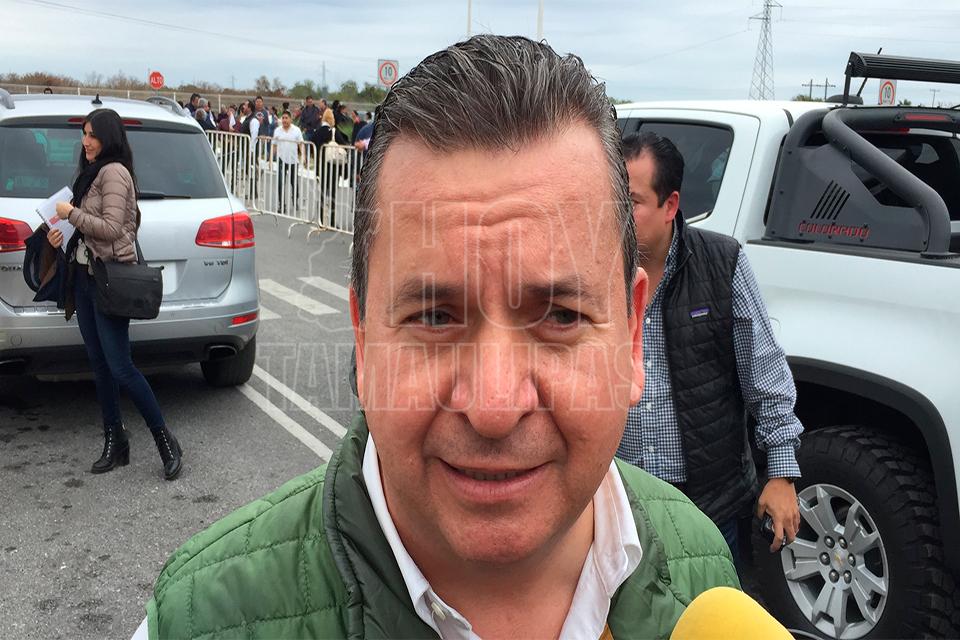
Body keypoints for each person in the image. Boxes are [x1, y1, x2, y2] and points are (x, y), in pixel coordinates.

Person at [135, 35, 737, 640]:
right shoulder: (198, 622)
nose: (494, 408)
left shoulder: (705, 574)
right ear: (363, 339)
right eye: (434, 318)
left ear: (631, 335)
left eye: (560, 316)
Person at [616, 131, 803, 564]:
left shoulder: (722, 263)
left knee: (712, 600)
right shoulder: (594, 272)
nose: (617, 215)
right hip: (622, 502)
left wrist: (781, 471)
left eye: (632, 201)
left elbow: (765, 372)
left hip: (707, 506)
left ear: (670, 206)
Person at [46, 109, 182, 481]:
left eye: (92, 135)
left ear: (108, 137)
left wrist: (71, 214)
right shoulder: (91, 173)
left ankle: (165, 440)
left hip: (108, 281)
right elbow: (89, 232)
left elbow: (109, 228)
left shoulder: (114, 173)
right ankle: (115, 440)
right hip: (85, 279)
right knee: (100, 365)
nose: (85, 141)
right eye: (84, 133)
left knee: (121, 367)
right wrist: (61, 234)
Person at [271, 110, 303, 215]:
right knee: (280, 183)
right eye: (283, 118)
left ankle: (295, 199)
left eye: (286, 118)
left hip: (293, 160)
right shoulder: (277, 131)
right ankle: (281, 205)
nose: (284, 120)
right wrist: (270, 159)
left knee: (294, 182)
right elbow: (274, 145)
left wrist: (304, 156)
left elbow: (301, 144)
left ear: (290, 119)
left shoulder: (296, 130)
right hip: (281, 159)